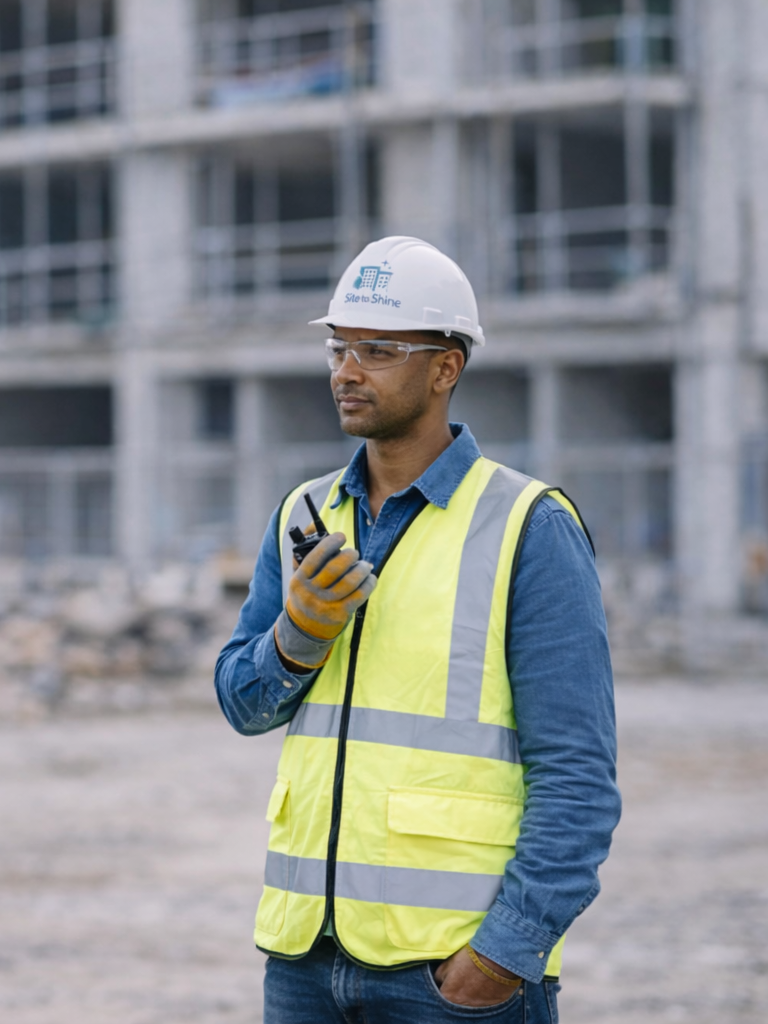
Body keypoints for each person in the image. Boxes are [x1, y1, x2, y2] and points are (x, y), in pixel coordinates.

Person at [214, 236, 620, 1023]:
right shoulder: (305, 514)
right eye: (338, 348)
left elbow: (577, 775)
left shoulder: (528, 527)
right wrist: (298, 636)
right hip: (304, 965)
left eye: (378, 349)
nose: (346, 371)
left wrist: (503, 957)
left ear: (446, 369)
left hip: (449, 976)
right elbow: (242, 704)